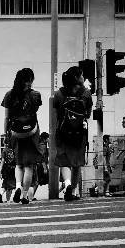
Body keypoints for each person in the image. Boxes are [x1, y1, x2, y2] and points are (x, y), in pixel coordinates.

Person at [51, 66, 93, 201]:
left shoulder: (59, 94)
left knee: (64, 161)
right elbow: (87, 114)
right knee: (77, 162)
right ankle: (74, 191)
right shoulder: (86, 93)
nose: (83, 78)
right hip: (79, 133)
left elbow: (57, 114)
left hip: (63, 132)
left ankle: (67, 184)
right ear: (76, 77)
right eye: (81, 75)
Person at [2, 68, 42, 204]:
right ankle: (24, 195)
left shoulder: (9, 95)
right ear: (30, 80)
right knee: (29, 166)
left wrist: (5, 134)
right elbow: (35, 110)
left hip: (15, 132)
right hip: (31, 131)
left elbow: (7, 117)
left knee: (18, 164)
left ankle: (18, 186)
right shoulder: (35, 95)